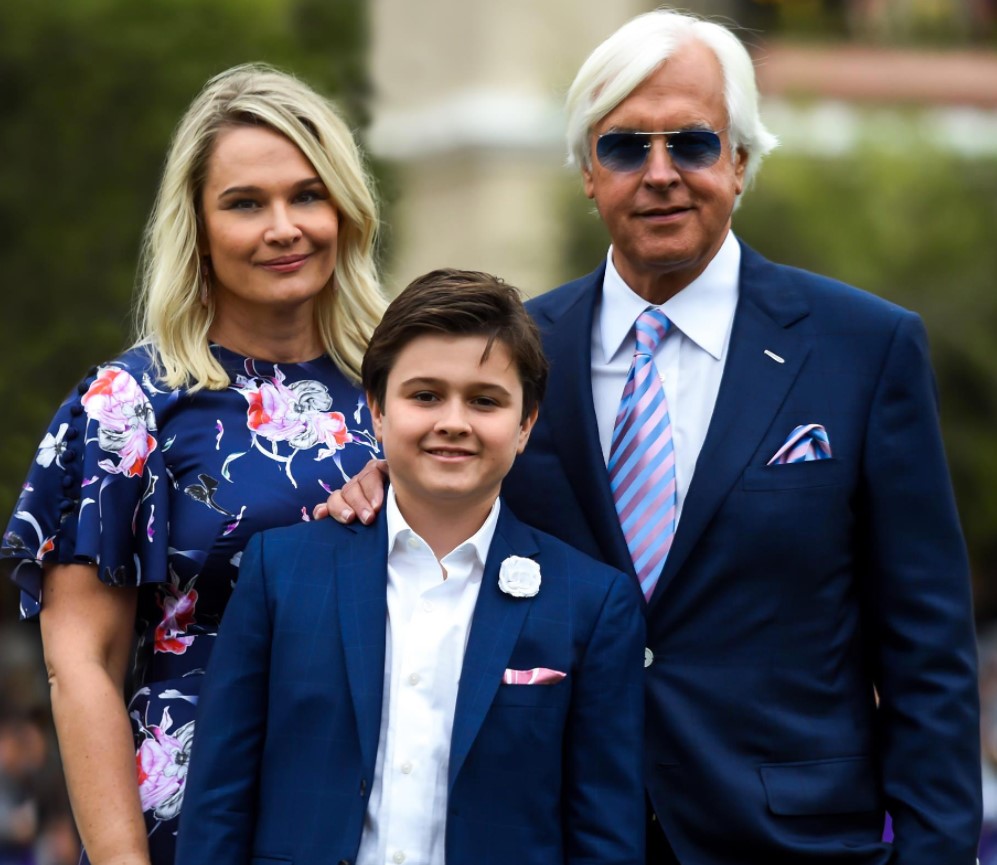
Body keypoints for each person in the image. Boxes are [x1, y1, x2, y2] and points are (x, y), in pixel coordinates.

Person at [324, 10, 982, 864]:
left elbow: (926, 647)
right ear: (588, 176)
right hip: (552, 831)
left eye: (694, 144)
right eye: (626, 147)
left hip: (790, 839)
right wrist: (387, 491)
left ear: (740, 162)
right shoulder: (514, 357)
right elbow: (449, 528)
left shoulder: (865, 348)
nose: (660, 174)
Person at [1, 64, 386, 865]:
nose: (284, 227)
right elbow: (83, 667)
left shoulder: (408, 393)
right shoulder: (129, 406)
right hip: (205, 815)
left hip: (392, 807)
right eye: (245, 203)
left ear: (345, 210)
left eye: (307, 195)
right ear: (199, 228)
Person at [174, 269, 645, 865]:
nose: (453, 420)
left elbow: (604, 830)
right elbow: (219, 799)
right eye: (425, 396)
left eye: (485, 400)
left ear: (525, 424)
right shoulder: (281, 570)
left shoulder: (592, 603)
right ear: (376, 409)